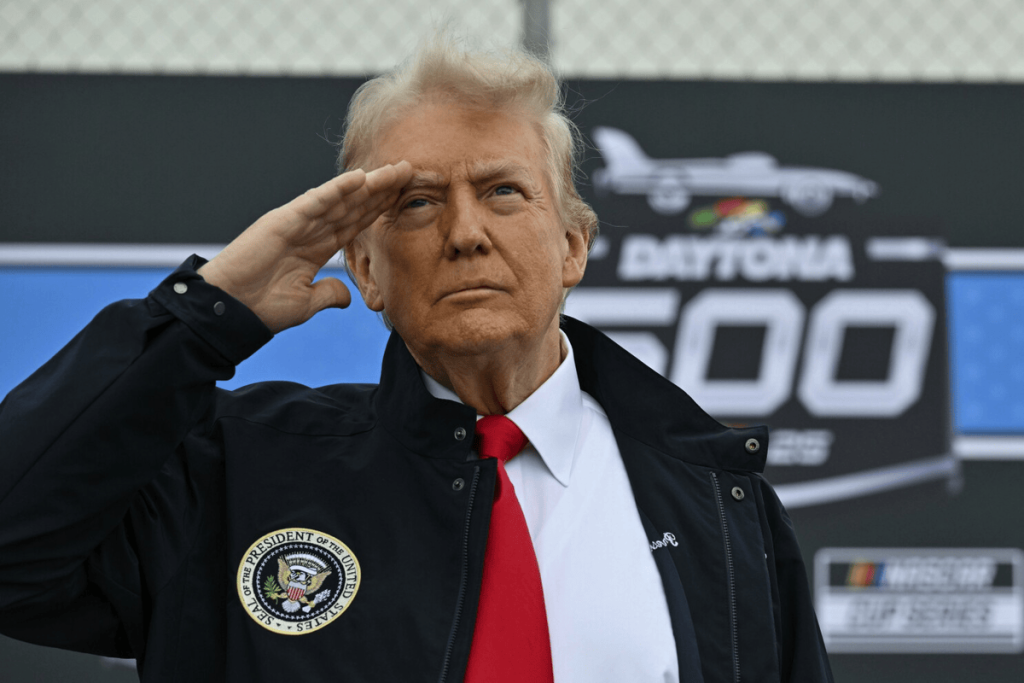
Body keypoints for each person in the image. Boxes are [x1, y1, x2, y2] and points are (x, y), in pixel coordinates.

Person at [0, 35, 833, 683]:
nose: (466, 233)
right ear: (364, 268)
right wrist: (200, 320)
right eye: (417, 202)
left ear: (573, 245)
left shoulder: (721, 503)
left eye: (503, 191)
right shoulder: (236, 473)